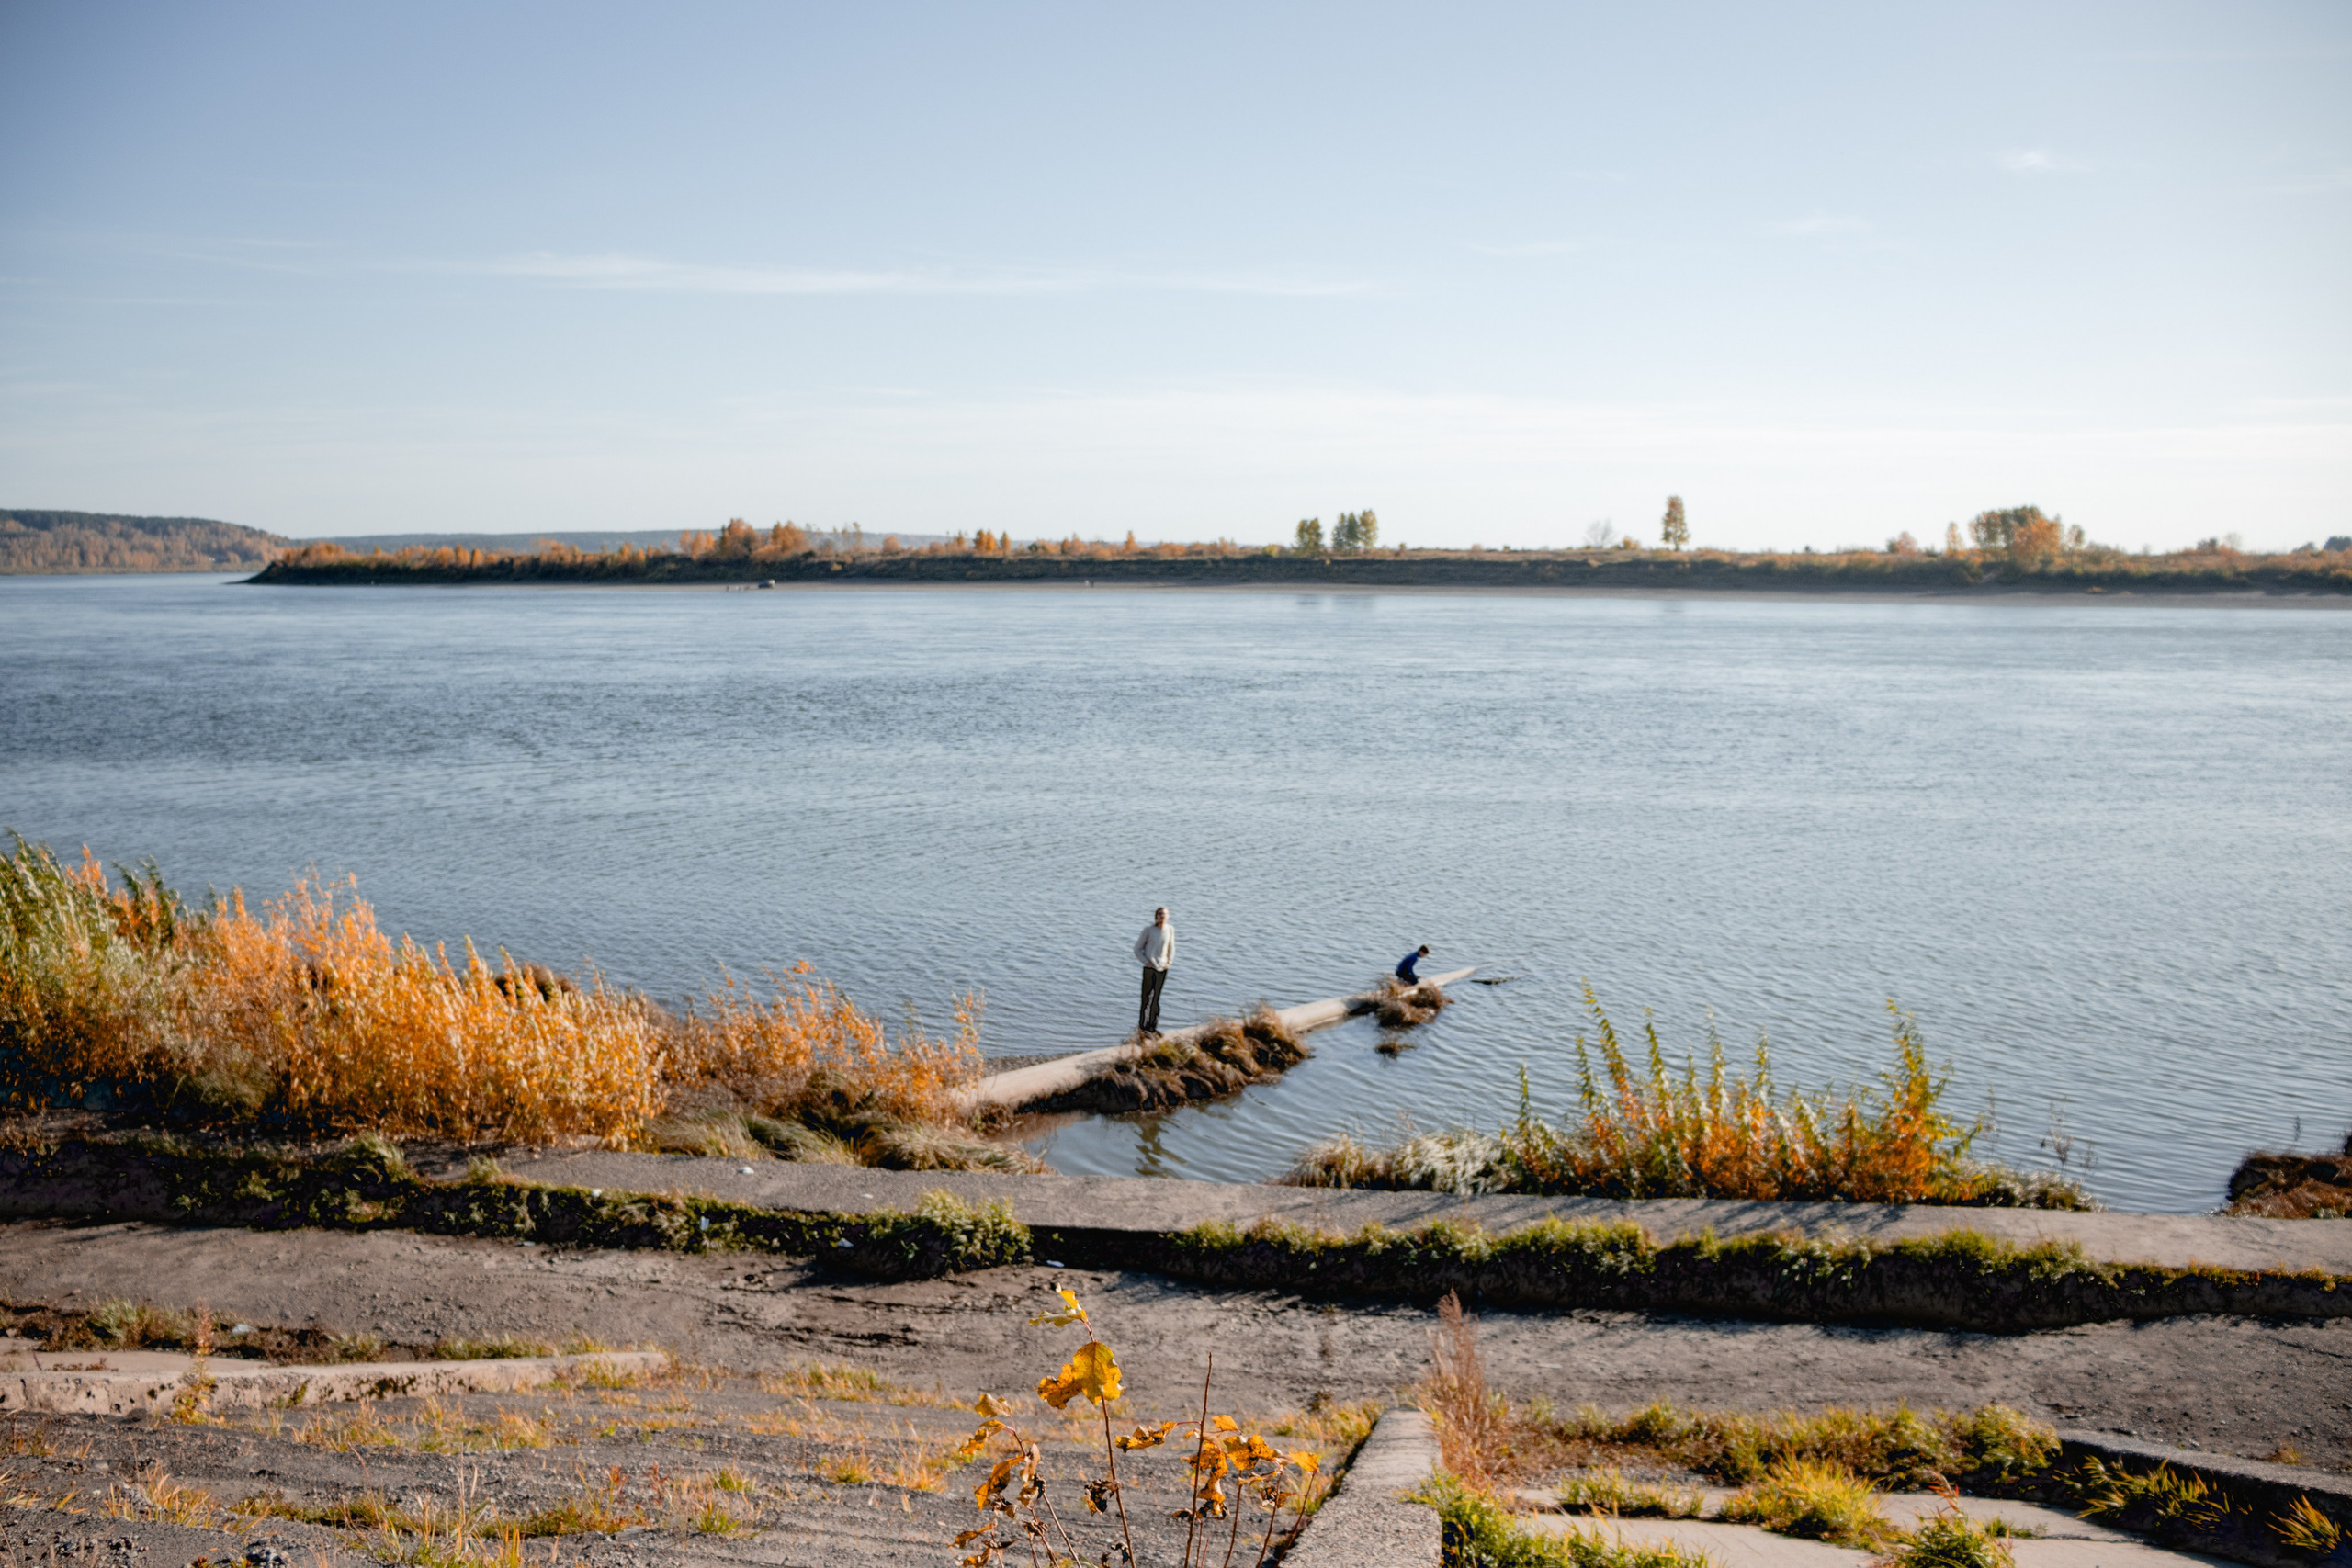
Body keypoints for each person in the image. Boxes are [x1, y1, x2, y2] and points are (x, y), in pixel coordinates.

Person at [1133, 906, 1175, 1034]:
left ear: (1168, 916)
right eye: (1160, 914)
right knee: (1146, 998)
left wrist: (1169, 962)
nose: (1162, 916)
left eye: (1165, 914)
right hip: (1150, 968)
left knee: (1156, 999)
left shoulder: (1170, 929)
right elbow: (1137, 949)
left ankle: (1152, 1028)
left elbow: (1171, 947)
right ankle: (1142, 1027)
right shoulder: (1149, 930)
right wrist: (1146, 962)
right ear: (1156, 916)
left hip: (1162, 969)